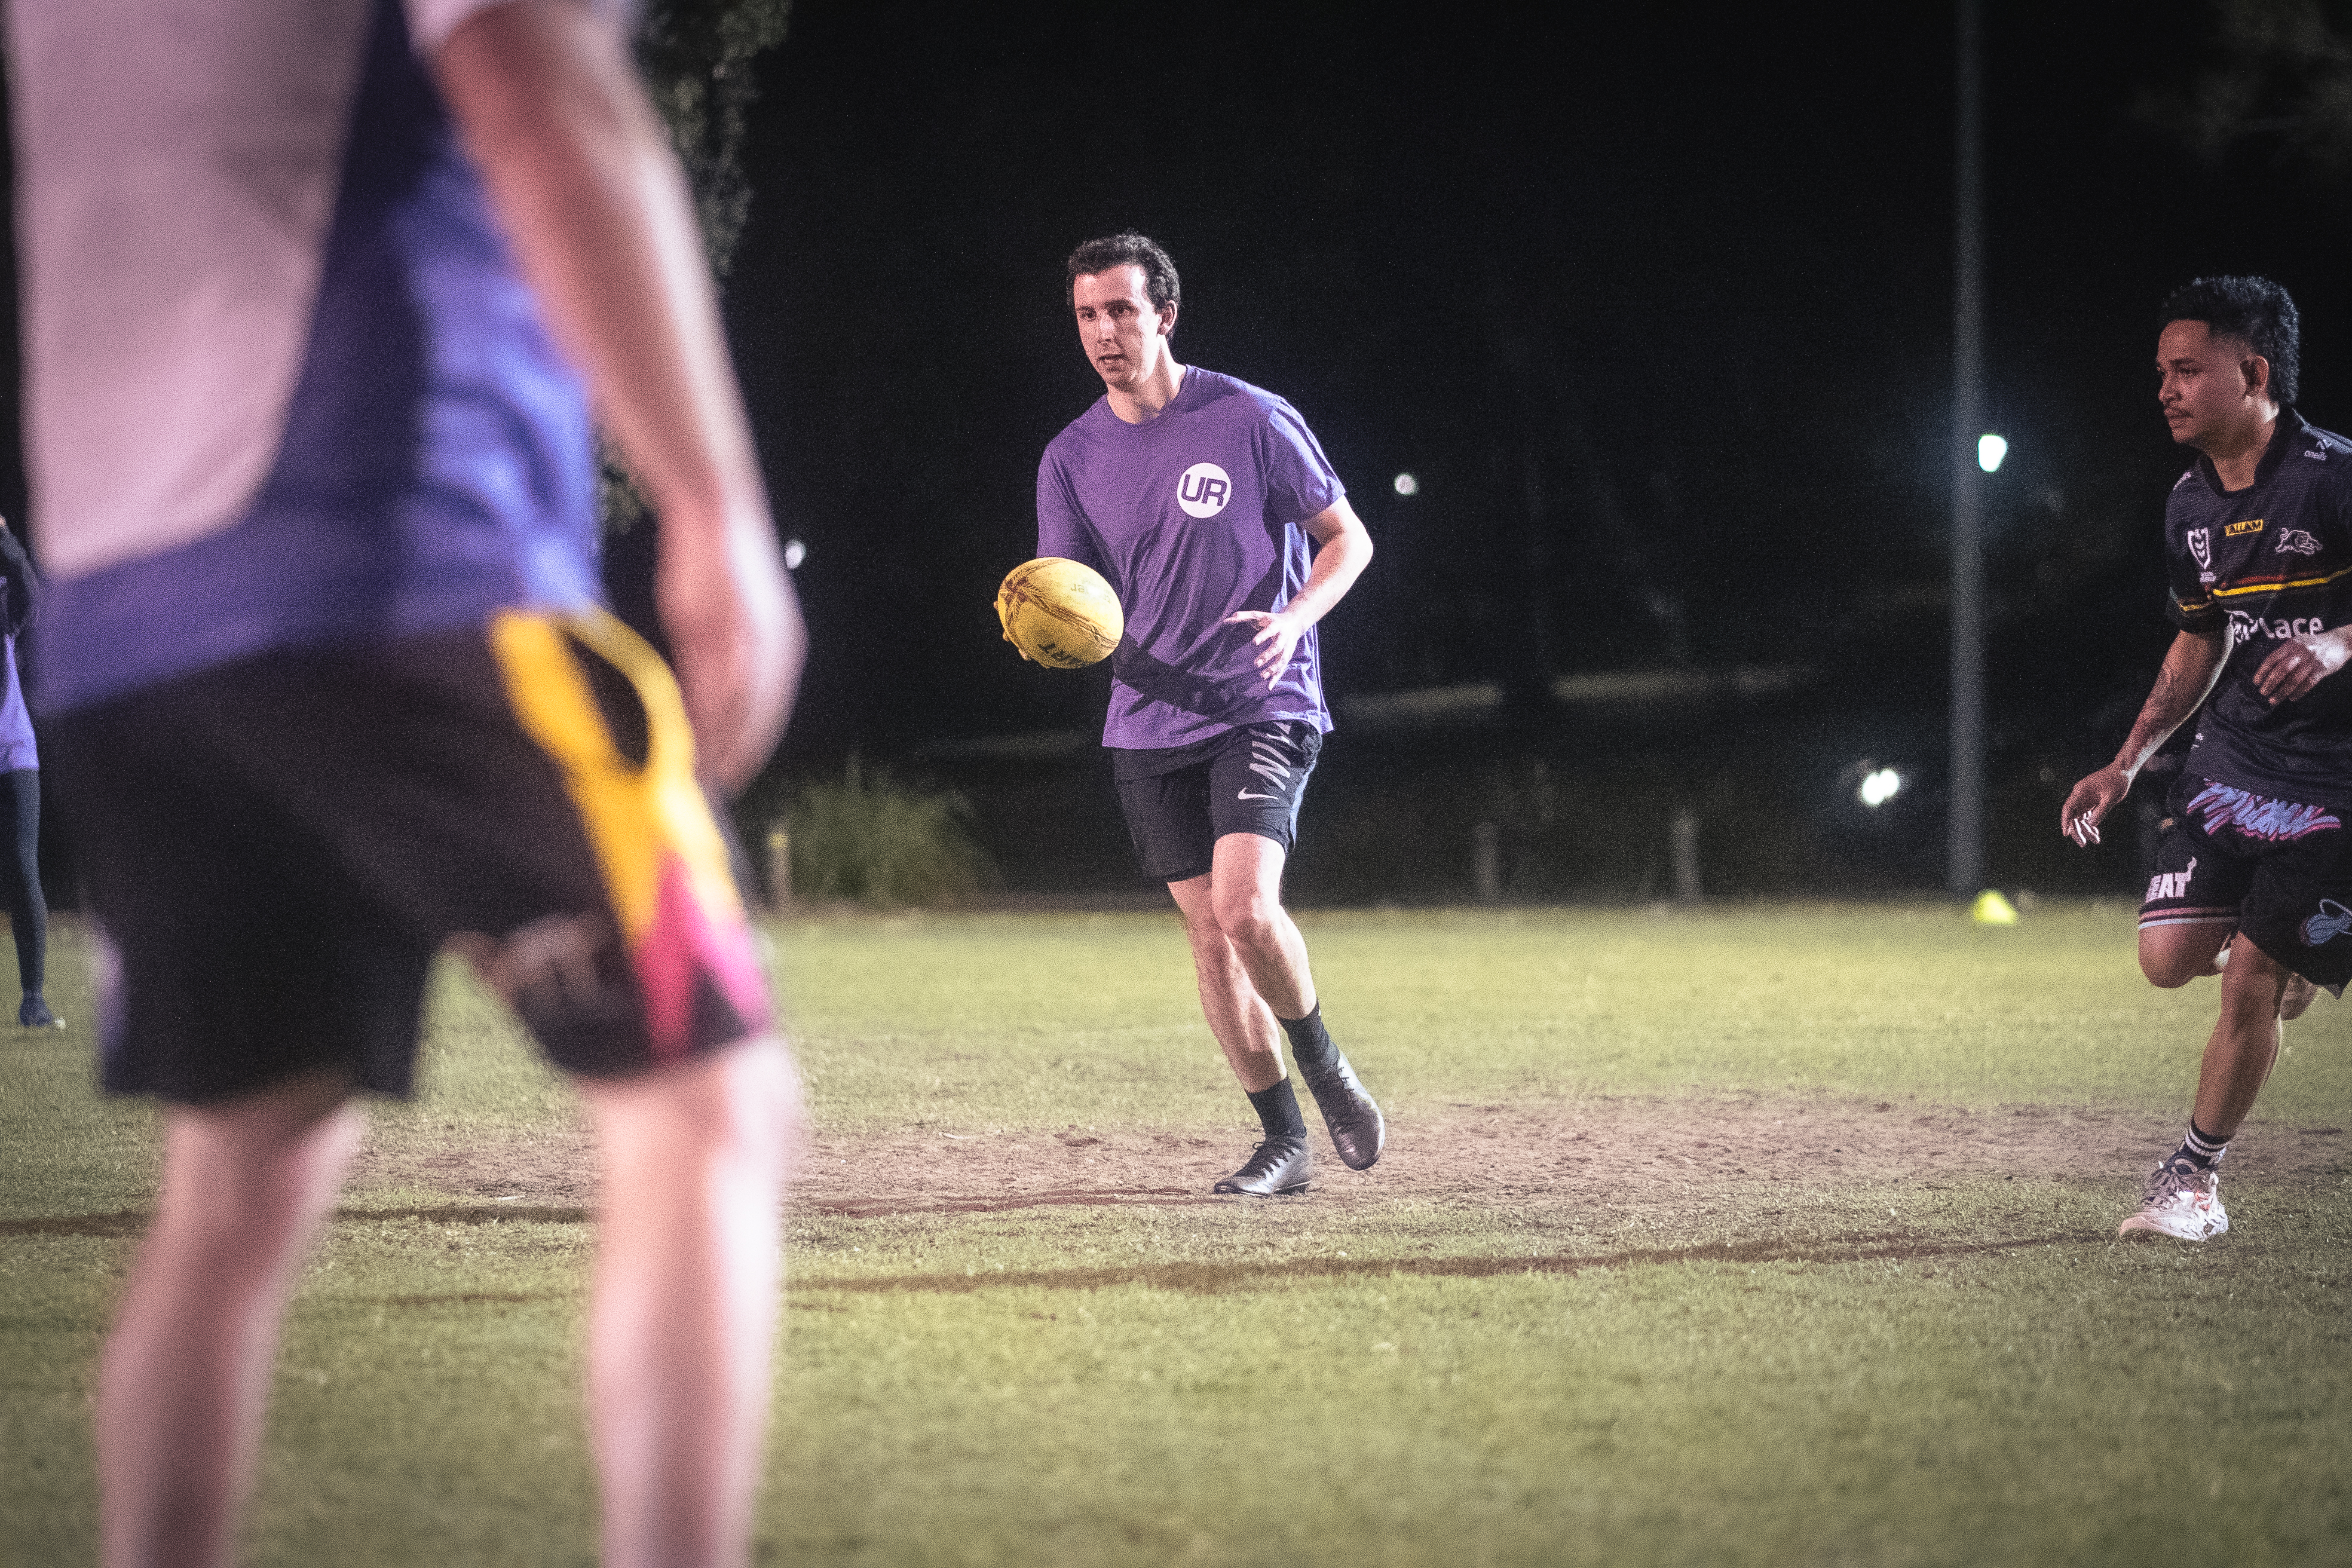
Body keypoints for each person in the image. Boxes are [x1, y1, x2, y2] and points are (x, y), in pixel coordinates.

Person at [10, 2, 804, 1565]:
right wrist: (713, 500)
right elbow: (537, 82)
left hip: (127, 617)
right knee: (711, 1100)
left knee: (240, 1180)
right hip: (388, 553)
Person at [1026, 232, 1383, 1196]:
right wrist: (1040, 620)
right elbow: (1071, 592)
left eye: (1121, 310)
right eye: (1087, 314)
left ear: (1165, 315)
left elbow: (1348, 538)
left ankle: (1326, 1064)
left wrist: (1297, 615)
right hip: (1146, 716)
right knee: (1207, 932)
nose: (1104, 331)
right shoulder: (1070, 456)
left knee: (1244, 905)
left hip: (1261, 697)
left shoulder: (1251, 417)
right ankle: (1284, 1142)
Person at [2062, 274, 2349, 1242]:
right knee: (2165, 956)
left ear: (2255, 371)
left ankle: (2193, 1180)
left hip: (2336, 784)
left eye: (2187, 369)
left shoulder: (2333, 476)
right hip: (2232, 763)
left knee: (2247, 979)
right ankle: (2298, 950)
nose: (2165, 389)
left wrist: (2340, 643)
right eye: (2161, 372)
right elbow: (2198, 639)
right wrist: (2128, 759)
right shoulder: (2188, 502)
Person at [0, 517, 59, 1028]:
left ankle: (34, 997)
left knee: (21, 866)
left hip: (12, 750)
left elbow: (28, 590)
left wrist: (4, 537)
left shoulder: (3, 601)